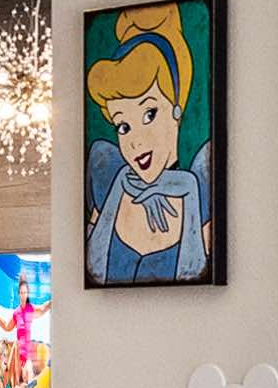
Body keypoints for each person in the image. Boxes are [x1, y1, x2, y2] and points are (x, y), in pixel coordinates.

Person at [81, 18, 208, 282]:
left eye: (149, 113)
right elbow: (92, 271)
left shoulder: (202, 186)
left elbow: (196, 275)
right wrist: (120, 187)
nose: (136, 142)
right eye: (123, 127)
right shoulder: (111, 176)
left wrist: (189, 189)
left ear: (176, 109)